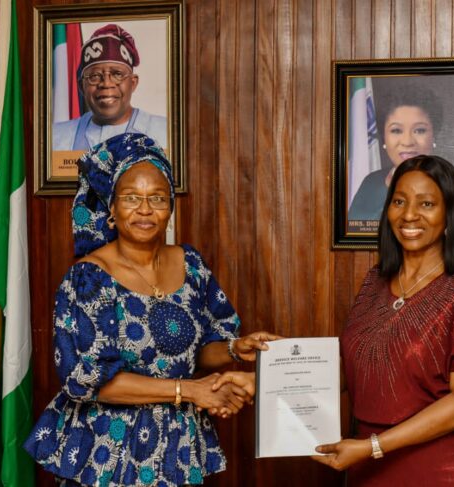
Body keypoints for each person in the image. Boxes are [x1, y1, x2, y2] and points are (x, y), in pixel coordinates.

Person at [24, 133, 277, 486]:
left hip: (178, 445)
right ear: (111, 208)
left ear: (171, 207)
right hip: (106, 449)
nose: (145, 210)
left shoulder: (191, 264)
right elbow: (88, 381)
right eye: (131, 198)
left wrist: (236, 347)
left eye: (157, 198)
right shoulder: (88, 278)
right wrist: (191, 391)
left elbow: (193, 352)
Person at [314, 155, 454, 485]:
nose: (409, 215)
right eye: (399, 201)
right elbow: (351, 370)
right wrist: (265, 383)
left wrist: (373, 447)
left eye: (427, 203)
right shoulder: (375, 282)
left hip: (442, 469)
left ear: (449, 214)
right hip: (366, 465)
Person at [52, 24, 168, 152]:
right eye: (95, 76)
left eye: (117, 74)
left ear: (133, 83)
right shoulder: (56, 137)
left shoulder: (166, 132)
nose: (106, 84)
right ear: (81, 86)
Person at [348, 89, 454, 221]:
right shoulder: (371, 183)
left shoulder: (453, 187)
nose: (407, 142)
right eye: (396, 130)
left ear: (434, 135)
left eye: (419, 130)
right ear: (384, 139)